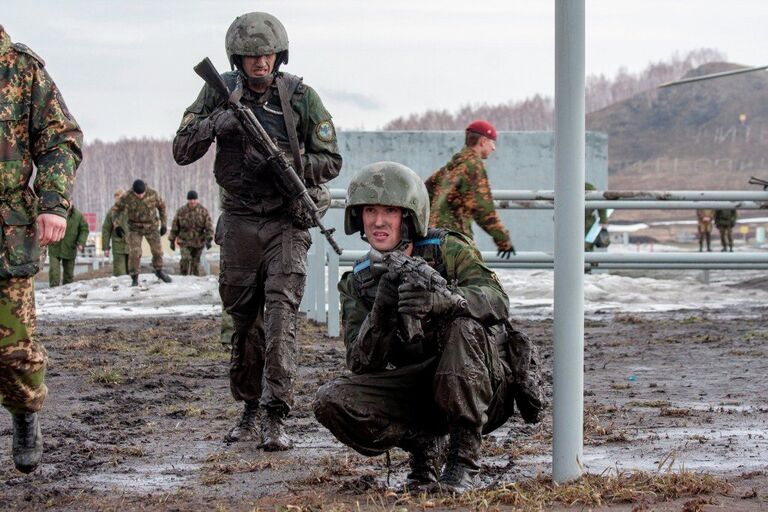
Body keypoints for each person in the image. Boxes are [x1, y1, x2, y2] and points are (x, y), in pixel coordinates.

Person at [173, 12, 342, 450]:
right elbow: (181, 149)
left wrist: (287, 164)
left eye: (266, 55)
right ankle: (248, 409)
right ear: (237, 58)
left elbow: (332, 160)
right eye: (251, 56)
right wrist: (217, 125)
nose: (260, 63)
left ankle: (275, 415)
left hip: (286, 219)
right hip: (241, 221)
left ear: (278, 56)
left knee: (282, 316)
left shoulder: (301, 97)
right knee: (244, 321)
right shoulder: (218, 92)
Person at [314, 162, 524, 494]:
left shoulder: (448, 250)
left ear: (409, 216)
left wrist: (447, 302)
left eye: (390, 211)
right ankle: (424, 445)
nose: (379, 221)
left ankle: (463, 461)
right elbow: (360, 363)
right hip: (417, 390)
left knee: (464, 328)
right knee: (331, 400)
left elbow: (498, 301)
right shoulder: (360, 281)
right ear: (358, 217)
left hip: (482, 389)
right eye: (370, 210)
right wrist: (382, 311)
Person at [0, 24, 83, 473]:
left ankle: (25, 411)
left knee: (13, 350)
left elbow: (60, 139)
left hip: (6, 232)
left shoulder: (20, 69)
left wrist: (53, 203)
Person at [425, 120, 515, 258]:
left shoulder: (451, 166)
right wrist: (503, 240)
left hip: (432, 238)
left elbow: (424, 192)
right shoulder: (473, 166)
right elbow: (483, 209)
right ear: (483, 141)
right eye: (492, 142)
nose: (494, 148)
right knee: (474, 278)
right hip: (454, 241)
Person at [113, 179, 172, 286]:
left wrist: (164, 224)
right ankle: (134, 277)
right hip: (135, 228)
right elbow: (116, 210)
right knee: (135, 253)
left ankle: (159, 271)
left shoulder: (153, 194)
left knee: (157, 251)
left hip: (152, 226)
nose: (140, 196)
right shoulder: (127, 196)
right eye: (137, 194)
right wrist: (117, 226)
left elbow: (162, 207)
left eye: (142, 194)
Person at [169, 190, 214, 276]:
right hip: (184, 241)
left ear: (197, 200)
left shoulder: (203, 211)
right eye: (190, 199)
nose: (192, 201)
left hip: (199, 242)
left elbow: (209, 227)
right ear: (188, 200)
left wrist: (209, 239)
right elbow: (175, 227)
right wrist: (172, 240)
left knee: (195, 264)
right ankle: (183, 277)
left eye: (194, 199)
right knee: (185, 259)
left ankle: (195, 282)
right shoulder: (181, 211)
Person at [47, 205, 88, 287]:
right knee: (54, 273)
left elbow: (84, 229)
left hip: (70, 247)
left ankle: (67, 293)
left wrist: (81, 242)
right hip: (55, 246)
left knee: (68, 275)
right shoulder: (55, 212)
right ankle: (53, 293)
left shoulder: (78, 215)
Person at [101, 188, 130, 276]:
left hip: (132, 246)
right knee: (120, 273)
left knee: (132, 272)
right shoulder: (112, 212)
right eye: (117, 198)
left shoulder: (131, 210)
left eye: (121, 198)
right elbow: (106, 229)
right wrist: (105, 247)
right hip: (118, 247)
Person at [584, 182, 609, 252]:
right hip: (573, 223)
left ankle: (590, 260)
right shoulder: (566, 189)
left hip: (587, 223)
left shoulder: (588, 188)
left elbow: (600, 202)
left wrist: (603, 221)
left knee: (587, 244)